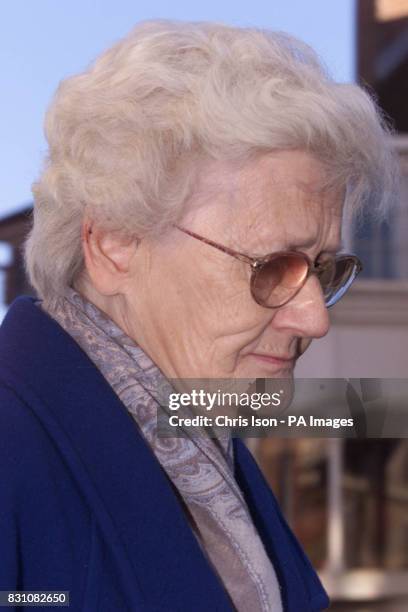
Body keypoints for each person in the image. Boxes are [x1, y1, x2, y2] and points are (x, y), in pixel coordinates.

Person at [0, 19, 398, 612]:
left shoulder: (199, 438)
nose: (315, 320)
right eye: (271, 267)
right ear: (114, 244)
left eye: (322, 269)